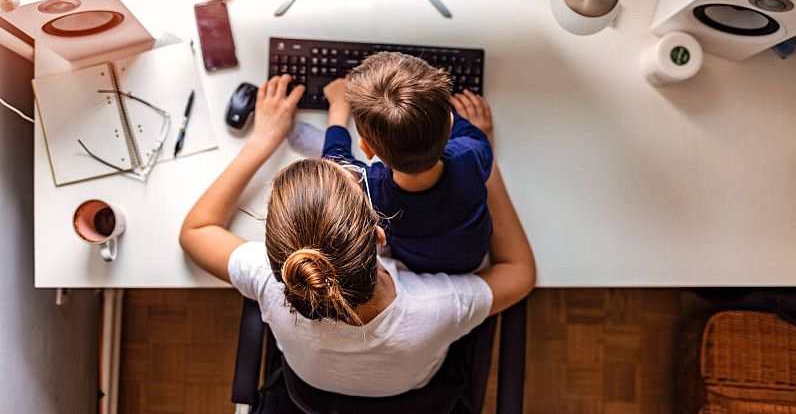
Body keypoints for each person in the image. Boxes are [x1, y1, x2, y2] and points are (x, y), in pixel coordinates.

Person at [179, 74, 535, 398]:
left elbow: (195, 231)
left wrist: (263, 139)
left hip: (310, 392)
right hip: (413, 393)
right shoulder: (437, 306)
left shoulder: (274, 281)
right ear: (381, 235)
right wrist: (484, 166)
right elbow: (520, 272)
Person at [322, 52, 494, 274]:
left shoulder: (371, 191)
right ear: (450, 125)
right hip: (471, 258)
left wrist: (337, 107)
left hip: (416, 264)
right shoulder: (472, 152)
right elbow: (470, 133)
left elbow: (334, 164)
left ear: (366, 149)